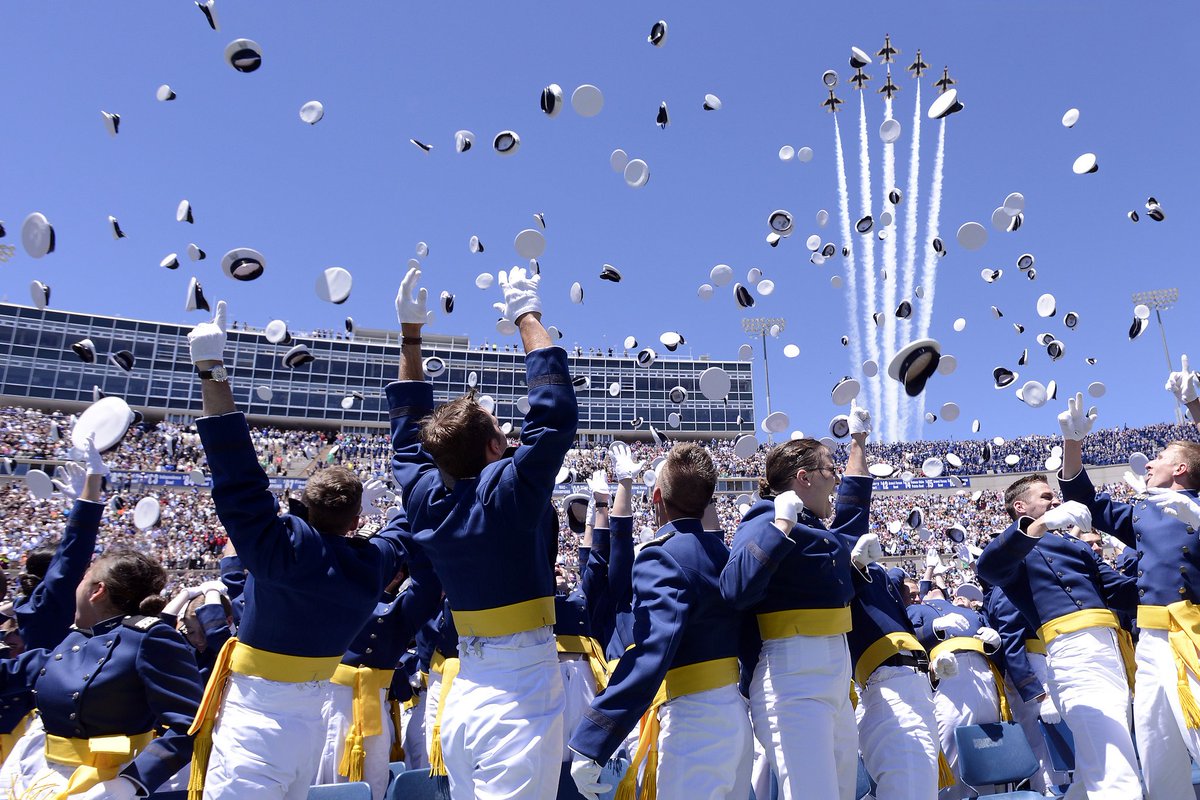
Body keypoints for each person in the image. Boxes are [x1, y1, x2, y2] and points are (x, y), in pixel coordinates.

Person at [187, 300, 416, 799]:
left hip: (256, 721)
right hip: (312, 725)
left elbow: (238, 476)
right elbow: (407, 523)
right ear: (357, 520)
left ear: (303, 508)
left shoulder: (282, 547)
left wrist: (212, 371)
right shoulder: (372, 562)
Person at [388, 266, 577, 799]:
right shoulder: (507, 494)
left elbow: (407, 442)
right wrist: (526, 315)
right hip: (519, 693)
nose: (510, 432)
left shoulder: (426, 498)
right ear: (494, 450)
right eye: (501, 429)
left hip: (464, 692)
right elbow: (555, 414)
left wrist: (410, 337)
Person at [570, 444, 752, 800]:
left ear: (656, 496)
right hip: (734, 716)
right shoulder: (725, 552)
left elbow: (654, 648)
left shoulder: (663, 555)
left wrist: (594, 737)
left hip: (693, 722)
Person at [720, 401, 873, 800]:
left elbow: (851, 522)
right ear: (803, 478)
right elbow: (735, 587)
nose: (836, 480)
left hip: (832, 678)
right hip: (792, 678)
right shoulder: (765, 518)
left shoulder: (813, 528)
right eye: (830, 470)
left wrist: (859, 442)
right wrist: (780, 526)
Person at [1057, 381, 1200, 799]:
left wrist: (1193, 404)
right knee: (1159, 753)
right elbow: (1084, 498)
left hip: (1193, 632)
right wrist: (1072, 443)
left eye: (1160, 458)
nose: (1150, 463)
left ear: (1180, 470)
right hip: (1151, 642)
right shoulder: (1145, 510)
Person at [975, 471, 1139, 798]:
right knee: (1115, 768)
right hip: (1072, 651)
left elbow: (1121, 590)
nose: (1055, 501)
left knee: (1097, 762)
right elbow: (989, 569)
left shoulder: (1072, 544)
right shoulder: (1015, 546)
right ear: (1020, 506)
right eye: (1046, 497)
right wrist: (1040, 527)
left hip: (1110, 650)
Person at [0, 548, 204, 800]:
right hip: (38, 769)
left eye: (82, 581)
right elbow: (22, 670)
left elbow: (189, 724)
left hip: (104, 781)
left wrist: (131, 783)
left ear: (97, 591)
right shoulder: (77, 636)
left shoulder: (150, 637)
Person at [0, 435, 109, 764]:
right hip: (51, 728)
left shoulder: (37, 605)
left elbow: (67, 558)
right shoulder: (51, 606)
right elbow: (71, 556)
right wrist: (89, 496)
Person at [847, 550, 942, 800]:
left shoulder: (885, 583)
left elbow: (897, 576)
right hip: (890, 690)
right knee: (913, 791)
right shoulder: (847, 568)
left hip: (913, 689)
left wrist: (931, 673)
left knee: (920, 789)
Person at [907, 585, 1005, 799]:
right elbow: (908, 639)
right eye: (928, 588)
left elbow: (996, 646)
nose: (933, 588)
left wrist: (995, 644)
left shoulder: (972, 613)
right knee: (951, 741)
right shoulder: (916, 610)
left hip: (982, 670)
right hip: (948, 671)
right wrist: (935, 628)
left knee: (989, 742)